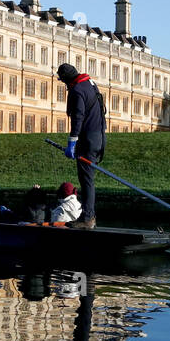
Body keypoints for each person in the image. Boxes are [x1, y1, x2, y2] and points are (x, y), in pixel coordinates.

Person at [56, 62, 106, 229]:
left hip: (87, 140)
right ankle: (89, 216)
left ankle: (88, 218)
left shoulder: (77, 91)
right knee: (88, 179)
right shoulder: (91, 84)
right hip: (98, 138)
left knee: (86, 180)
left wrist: (72, 142)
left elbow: (78, 117)